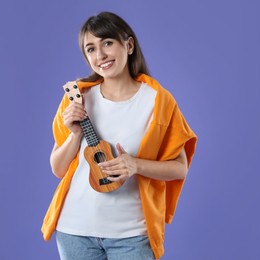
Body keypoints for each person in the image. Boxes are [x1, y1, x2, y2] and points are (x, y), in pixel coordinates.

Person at [41, 11, 197, 260]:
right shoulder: (78, 98)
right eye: (90, 49)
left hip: (132, 234)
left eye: (107, 43)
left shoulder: (158, 101)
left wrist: (134, 165)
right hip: (74, 230)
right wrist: (74, 136)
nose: (100, 55)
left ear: (129, 44)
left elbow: (180, 168)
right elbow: (58, 169)